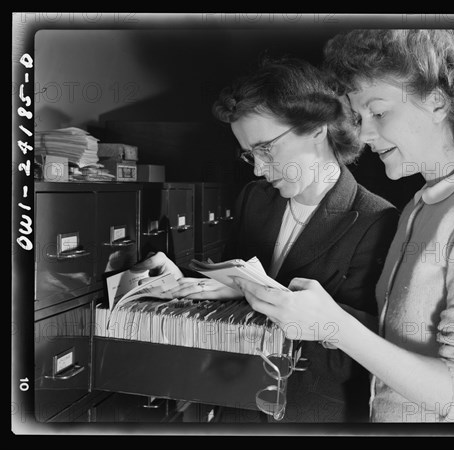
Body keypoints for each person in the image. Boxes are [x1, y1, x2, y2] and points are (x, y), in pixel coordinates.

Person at [233, 29, 454, 423]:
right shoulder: (423, 206)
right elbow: (399, 340)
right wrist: (307, 309)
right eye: (360, 118)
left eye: (378, 113)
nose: (363, 134)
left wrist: (334, 323)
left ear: (437, 102)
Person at [134, 57, 399, 423]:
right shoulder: (255, 198)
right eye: (249, 154)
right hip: (233, 400)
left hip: (306, 415)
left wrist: (254, 295)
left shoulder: (377, 221)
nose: (258, 168)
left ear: (317, 129)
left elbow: (353, 357)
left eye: (267, 148)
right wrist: (183, 283)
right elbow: (231, 281)